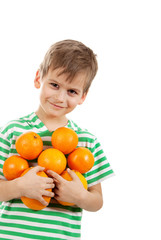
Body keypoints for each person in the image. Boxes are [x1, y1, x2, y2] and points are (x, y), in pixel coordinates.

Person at [0, 39, 114, 240]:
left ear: (83, 96)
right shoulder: (12, 132)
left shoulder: (87, 141)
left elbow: (97, 202)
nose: (60, 98)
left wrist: (80, 196)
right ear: (38, 79)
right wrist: (19, 187)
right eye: (54, 85)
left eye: (72, 91)